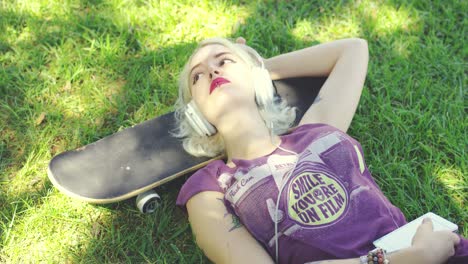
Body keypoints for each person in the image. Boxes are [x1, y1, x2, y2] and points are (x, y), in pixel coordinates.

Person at [173, 37, 467, 264]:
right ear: (195, 115)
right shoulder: (210, 188)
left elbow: (353, 49)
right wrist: (404, 260)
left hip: (436, 249)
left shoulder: (316, 130)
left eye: (223, 60)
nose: (212, 70)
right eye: (197, 76)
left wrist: (259, 66)